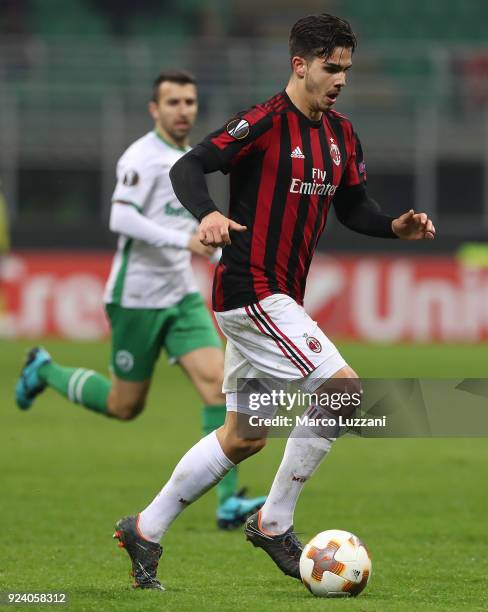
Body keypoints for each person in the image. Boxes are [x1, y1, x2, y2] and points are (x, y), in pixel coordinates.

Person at [113, 14, 436, 590]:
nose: (340, 79)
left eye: (347, 69)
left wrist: (395, 227)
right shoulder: (261, 123)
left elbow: (352, 209)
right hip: (252, 289)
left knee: (245, 435)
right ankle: (273, 520)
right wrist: (207, 213)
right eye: (330, 68)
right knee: (344, 393)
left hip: (275, 295)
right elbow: (190, 165)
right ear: (300, 64)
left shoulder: (341, 134)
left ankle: (145, 528)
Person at [14, 70, 265, 530]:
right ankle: (44, 370)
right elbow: (121, 218)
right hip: (136, 298)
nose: (183, 109)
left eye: (190, 101)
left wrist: (211, 255)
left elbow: (197, 236)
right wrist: (182, 241)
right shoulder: (141, 157)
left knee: (216, 385)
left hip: (181, 298)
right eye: (173, 102)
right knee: (124, 406)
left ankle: (227, 501)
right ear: (155, 109)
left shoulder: (192, 161)